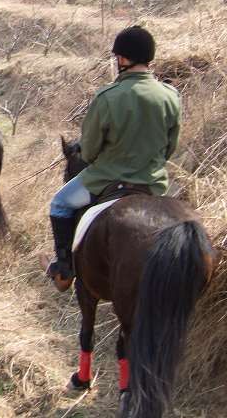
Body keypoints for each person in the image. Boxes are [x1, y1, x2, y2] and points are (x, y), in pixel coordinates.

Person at [45, 26, 181, 292]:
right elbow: (170, 148)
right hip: (154, 182)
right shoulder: (171, 96)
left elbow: (91, 151)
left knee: (60, 204)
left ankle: (64, 269)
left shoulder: (108, 96)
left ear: (122, 59)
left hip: (106, 178)